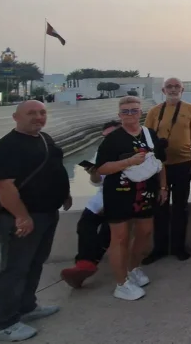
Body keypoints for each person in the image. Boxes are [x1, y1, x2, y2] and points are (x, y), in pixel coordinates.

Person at [0, 100, 71, 342]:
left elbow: (54, 169)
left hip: (47, 213)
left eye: (42, 112)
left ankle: (26, 307)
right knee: (14, 269)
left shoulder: (44, 138)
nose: (38, 117)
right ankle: (5, 325)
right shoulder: (7, 147)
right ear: (16, 117)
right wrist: (22, 216)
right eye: (31, 113)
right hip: (21, 218)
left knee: (34, 263)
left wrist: (64, 193)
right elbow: (3, 186)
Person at [95, 96, 168, 301]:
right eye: (125, 111)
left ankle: (133, 268)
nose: (130, 114)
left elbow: (160, 162)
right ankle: (121, 283)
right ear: (119, 115)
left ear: (140, 112)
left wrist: (163, 187)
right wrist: (128, 162)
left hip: (146, 191)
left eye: (134, 110)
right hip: (119, 193)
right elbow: (101, 168)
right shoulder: (112, 139)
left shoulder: (149, 134)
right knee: (120, 238)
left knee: (145, 232)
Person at [143, 77, 191, 264]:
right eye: (169, 86)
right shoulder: (154, 111)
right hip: (160, 167)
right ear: (163, 90)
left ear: (182, 90)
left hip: (184, 164)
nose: (173, 89)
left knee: (180, 207)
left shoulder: (190, 109)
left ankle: (178, 247)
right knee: (160, 207)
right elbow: (147, 138)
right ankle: (159, 248)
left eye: (176, 87)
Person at [60, 120, 120, 290]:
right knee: (85, 224)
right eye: (106, 136)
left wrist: (109, 204)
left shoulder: (132, 153)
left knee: (109, 229)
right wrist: (94, 174)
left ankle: (88, 264)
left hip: (123, 199)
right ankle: (83, 263)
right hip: (102, 198)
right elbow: (97, 182)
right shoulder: (102, 153)